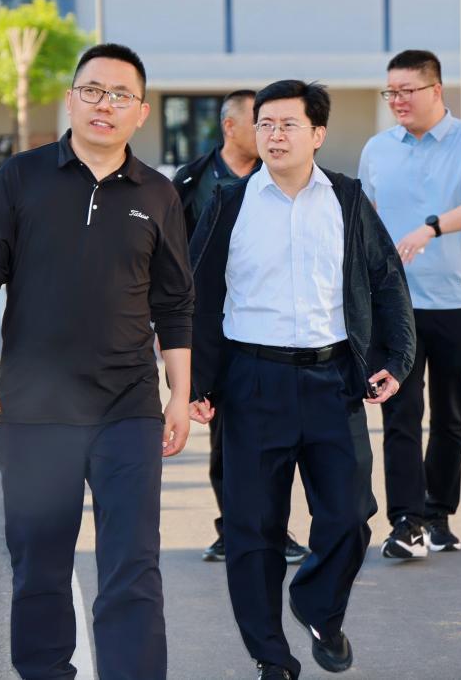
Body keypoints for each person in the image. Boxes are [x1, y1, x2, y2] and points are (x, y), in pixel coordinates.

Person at [0, 43, 195, 680]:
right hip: (35, 410)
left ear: (141, 111)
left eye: (120, 95)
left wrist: (179, 394)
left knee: (132, 568)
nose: (104, 105)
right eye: (92, 90)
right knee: (39, 566)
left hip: (128, 409)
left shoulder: (159, 195)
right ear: (70, 99)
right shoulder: (20, 178)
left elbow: (175, 304)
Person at [188, 80, 415, 680]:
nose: (274, 135)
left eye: (288, 124)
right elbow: (198, 293)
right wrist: (195, 382)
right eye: (265, 124)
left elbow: (387, 280)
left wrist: (397, 357)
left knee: (350, 516)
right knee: (253, 530)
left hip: (332, 378)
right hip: (251, 382)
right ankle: (271, 657)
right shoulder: (229, 203)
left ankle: (319, 606)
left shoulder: (347, 198)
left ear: (317, 134)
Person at [357, 49, 461, 559]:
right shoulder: (377, 149)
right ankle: (406, 522)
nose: (397, 100)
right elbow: (366, 217)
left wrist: (432, 227)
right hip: (394, 305)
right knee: (399, 412)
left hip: (459, 300)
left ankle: (438, 512)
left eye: (407, 91)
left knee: (448, 412)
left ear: (435, 90)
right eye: (390, 92)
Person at [174, 90, 310, 567]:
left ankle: (275, 529)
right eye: (260, 123)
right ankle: (232, 526)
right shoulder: (191, 181)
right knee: (224, 437)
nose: (270, 133)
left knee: (276, 437)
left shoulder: (278, 177)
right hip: (213, 329)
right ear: (231, 127)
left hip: (269, 328)